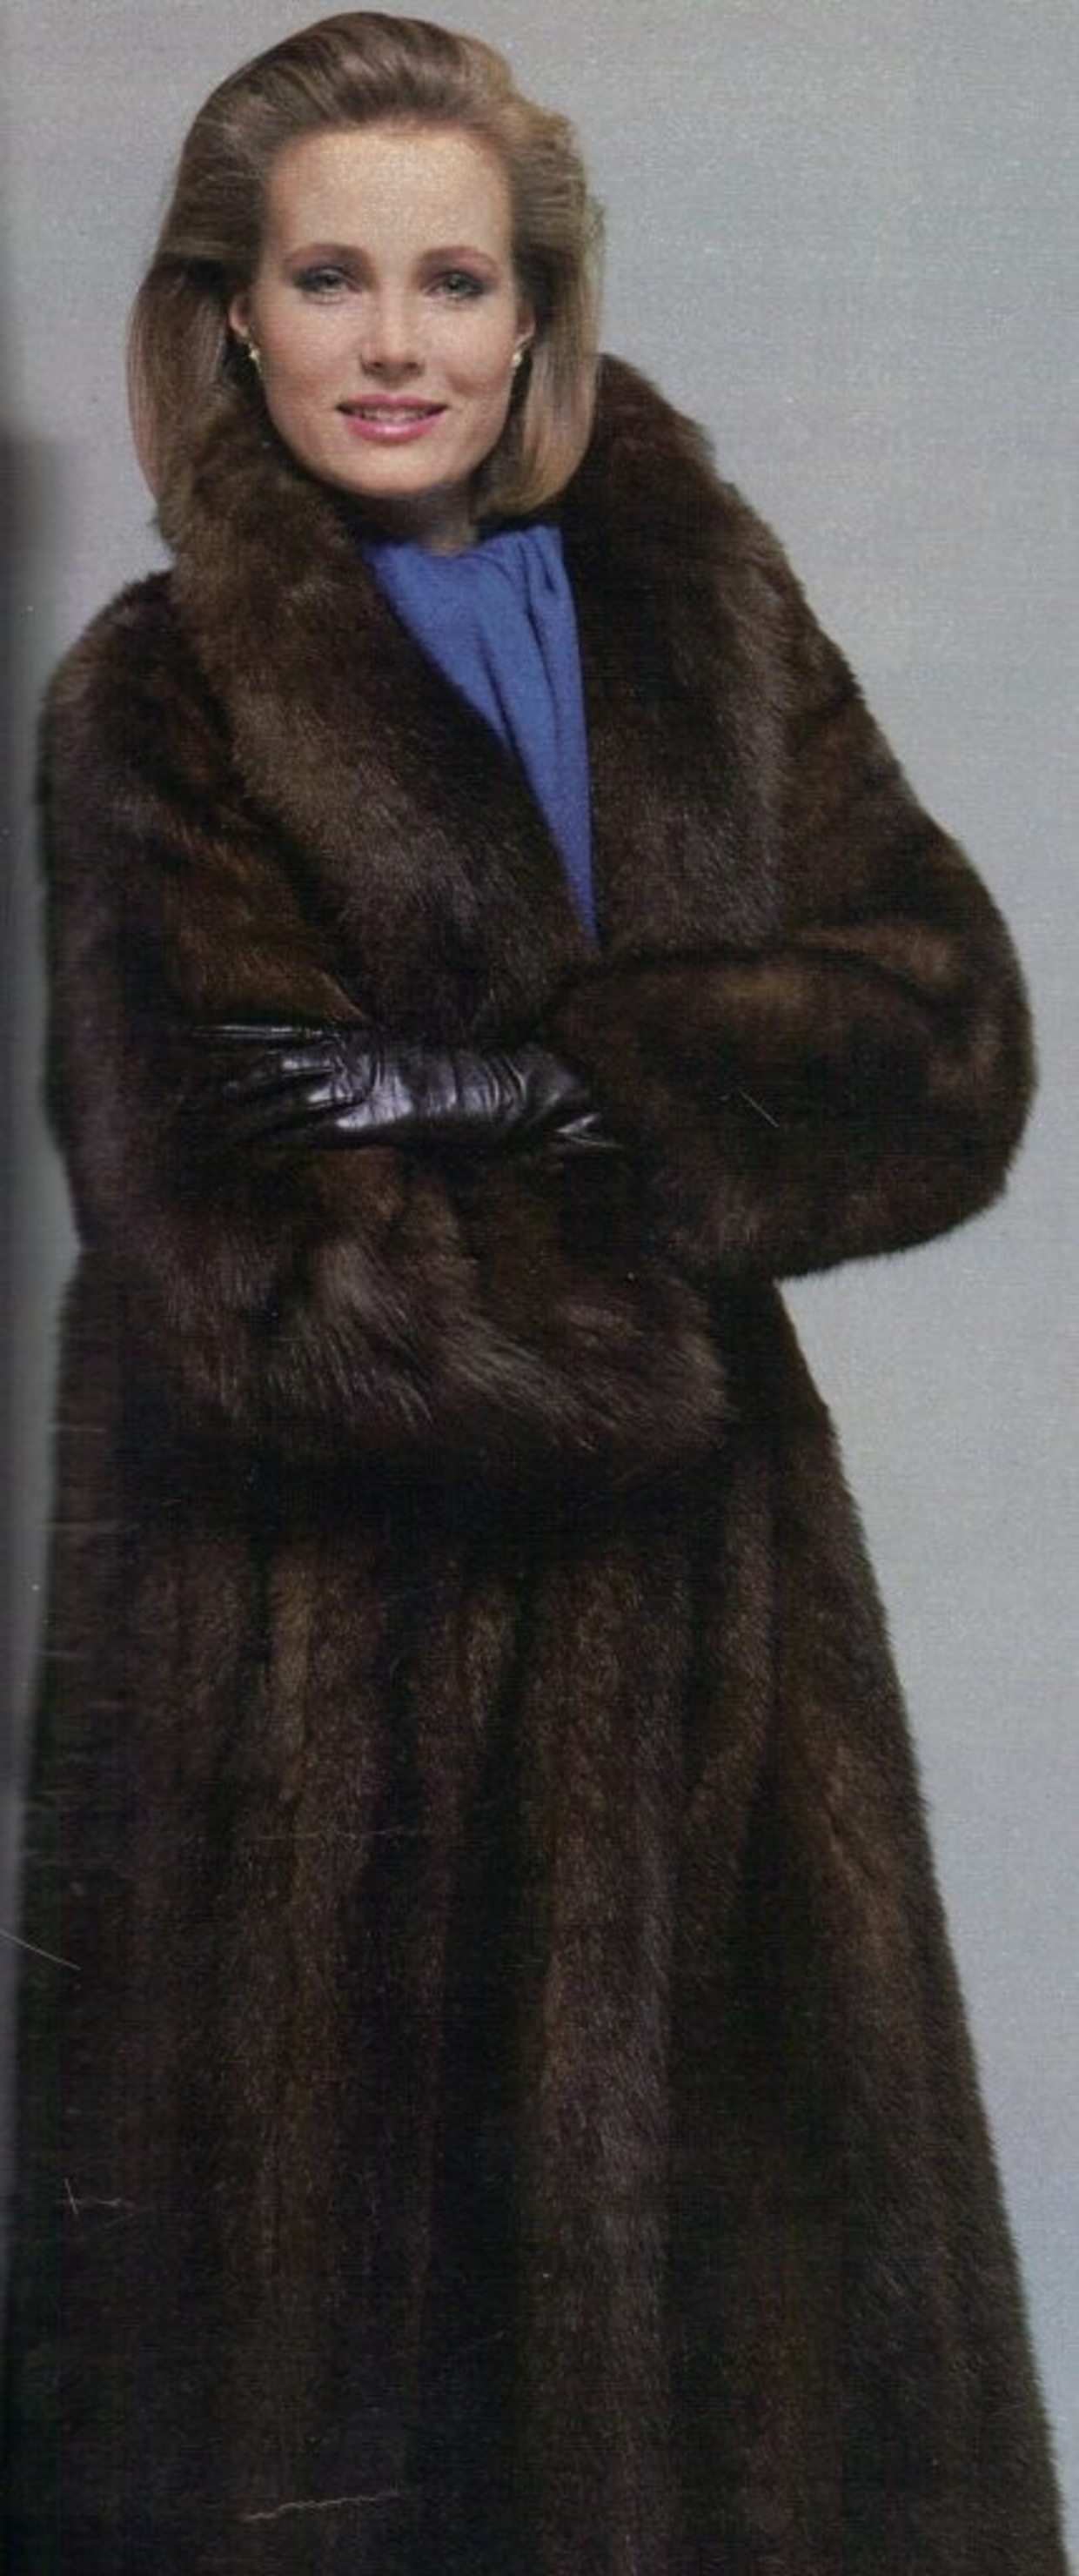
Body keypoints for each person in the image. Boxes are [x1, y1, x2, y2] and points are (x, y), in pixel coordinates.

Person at [3, 11, 1066, 2572]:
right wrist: (674, 1174)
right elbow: (255, 1256)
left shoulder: (709, 616)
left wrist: (508, 1091)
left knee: (758, 2432)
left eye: (454, 280)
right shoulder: (152, 697)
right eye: (329, 279)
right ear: (231, 316)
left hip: (719, 1677)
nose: (395, 343)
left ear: (535, 314)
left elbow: (945, 1032)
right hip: (322, 1725)